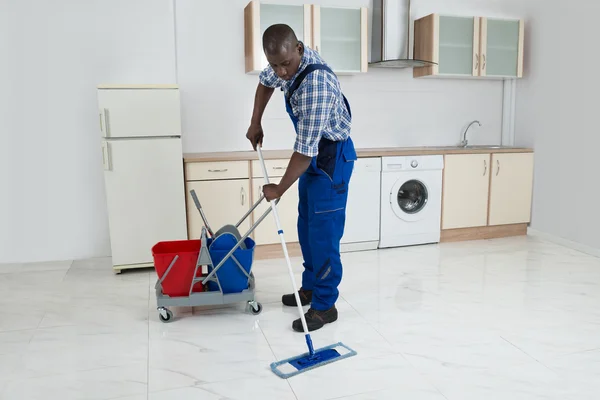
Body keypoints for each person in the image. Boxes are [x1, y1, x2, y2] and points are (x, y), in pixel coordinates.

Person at [246, 24, 356, 332]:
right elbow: (265, 83)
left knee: (323, 234)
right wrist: (255, 122)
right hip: (313, 154)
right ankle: (310, 288)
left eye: (286, 64)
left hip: (331, 159)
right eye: (274, 65)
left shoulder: (316, 84)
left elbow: (304, 151)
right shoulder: (282, 64)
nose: (281, 72)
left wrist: (279, 187)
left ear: (299, 49)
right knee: (306, 225)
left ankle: (325, 305)